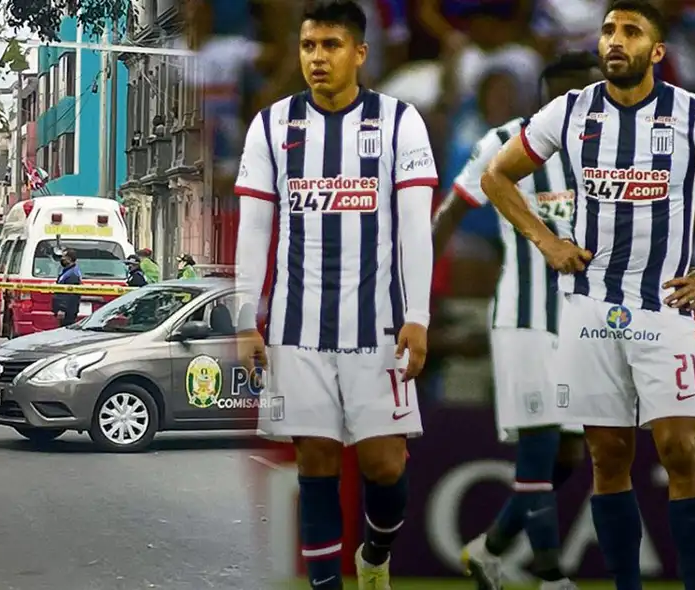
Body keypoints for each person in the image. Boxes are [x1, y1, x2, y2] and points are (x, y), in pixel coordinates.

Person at [480, 2, 695, 588]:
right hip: (589, 309)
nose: (615, 41)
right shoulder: (569, 111)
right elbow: (496, 175)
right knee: (607, 457)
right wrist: (545, 241)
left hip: (663, 306)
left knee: (679, 449)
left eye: (631, 32)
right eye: (610, 30)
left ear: (658, 51)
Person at [233, 2, 436, 588]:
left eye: (331, 46)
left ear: (360, 53)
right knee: (316, 465)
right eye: (308, 46)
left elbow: (414, 227)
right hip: (298, 330)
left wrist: (417, 316)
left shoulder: (400, 122)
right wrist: (249, 316)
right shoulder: (271, 125)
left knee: (384, 465)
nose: (317, 58)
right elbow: (255, 227)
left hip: (377, 328)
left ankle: (374, 556)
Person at [433, 51, 601, 590]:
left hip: (583, 325)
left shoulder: (611, 150)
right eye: (584, 94)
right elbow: (453, 209)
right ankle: (550, 577)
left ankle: (490, 548)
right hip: (524, 320)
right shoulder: (504, 140)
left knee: (570, 453)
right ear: (555, 97)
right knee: (539, 447)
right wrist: (413, 291)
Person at [52, 248, 82, 327]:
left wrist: (62, 309)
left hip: (68, 311)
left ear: (69, 259)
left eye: (63, 257)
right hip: (66, 310)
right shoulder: (67, 271)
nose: (62, 259)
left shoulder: (72, 274)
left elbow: (69, 294)